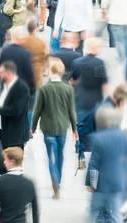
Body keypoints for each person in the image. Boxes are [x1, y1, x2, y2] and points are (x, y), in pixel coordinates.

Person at [86, 108, 127, 223]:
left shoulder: (99, 138)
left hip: (102, 185)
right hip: (118, 183)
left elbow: (94, 164)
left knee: (93, 211)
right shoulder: (126, 138)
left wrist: (91, 184)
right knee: (116, 216)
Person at [32, 57, 77, 199]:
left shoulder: (44, 89)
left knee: (51, 155)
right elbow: (71, 111)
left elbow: (37, 110)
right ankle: (59, 181)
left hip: (48, 127)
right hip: (63, 127)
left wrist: (33, 127)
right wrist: (75, 129)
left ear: (50, 71)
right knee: (60, 156)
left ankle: (55, 182)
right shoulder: (68, 89)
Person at [71, 38, 109, 168]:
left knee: (81, 128)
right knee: (96, 130)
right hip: (96, 101)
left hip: (82, 100)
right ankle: (94, 157)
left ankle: (80, 156)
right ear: (94, 48)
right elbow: (104, 85)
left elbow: (73, 80)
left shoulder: (77, 62)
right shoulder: (99, 63)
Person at [0, 61, 32, 148]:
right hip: (2, 133)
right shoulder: (4, 86)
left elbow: (16, 110)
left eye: (1, 73)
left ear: (9, 73)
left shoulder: (21, 88)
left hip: (14, 137)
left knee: (14, 160)